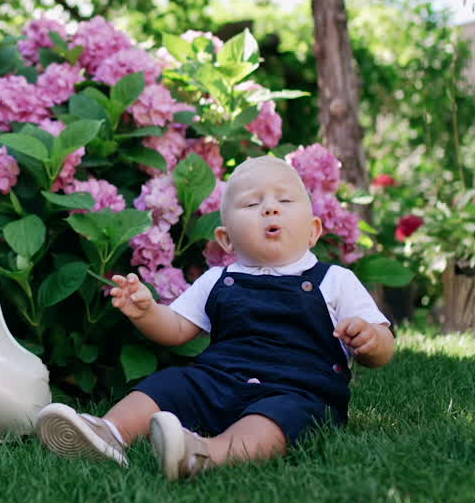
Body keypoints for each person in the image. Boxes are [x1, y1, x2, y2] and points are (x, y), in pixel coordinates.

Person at [36, 155, 395, 480]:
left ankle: (206, 454)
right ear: (225, 239)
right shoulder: (217, 280)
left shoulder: (334, 280)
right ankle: (107, 433)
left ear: (314, 230)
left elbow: (384, 346)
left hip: (295, 390)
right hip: (218, 381)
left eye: (284, 201)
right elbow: (176, 329)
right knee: (167, 385)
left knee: (271, 423)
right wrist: (146, 312)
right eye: (253, 203)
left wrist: (371, 340)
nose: (270, 209)